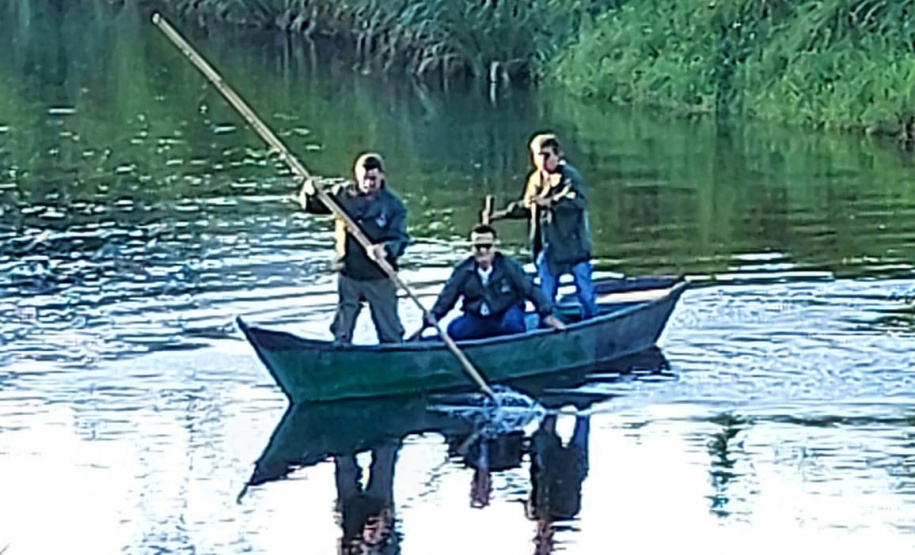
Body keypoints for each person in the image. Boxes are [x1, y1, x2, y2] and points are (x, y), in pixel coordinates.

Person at [298, 153, 408, 345]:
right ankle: (340, 354)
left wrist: (385, 249)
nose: (368, 183)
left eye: (373, 179)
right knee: (342, 330)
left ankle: (393, 356)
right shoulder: (343, 194)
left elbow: (401, 239)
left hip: (379, 275)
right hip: (349, 273)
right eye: (364, 178)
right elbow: (315, 206)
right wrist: (309, 192)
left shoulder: (394, 206)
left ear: (381, 176)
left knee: (389, 332)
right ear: (357, 175)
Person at [492, 133, 598, 320]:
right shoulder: (535, 180)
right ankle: (548, 334)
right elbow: (528, 206)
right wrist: (499, 216)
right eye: (537, 156)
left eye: (547, 155)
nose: (542, 160)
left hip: (574, 248)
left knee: (586, 297)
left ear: (558, 155)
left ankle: (593, 327)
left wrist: (549, 202)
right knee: (545, 300)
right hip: (547, 250)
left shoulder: (570, 178)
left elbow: (577, 202)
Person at [427, 224, 565, 341]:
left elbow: (531, 290)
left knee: (512, 325)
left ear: (494, 247)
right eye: (478, 246)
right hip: (478, 318)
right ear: (472, 248)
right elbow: (447, 298)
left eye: (487, 246)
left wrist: (547, 315)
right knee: (454, 331)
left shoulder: (509, 267)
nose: (482, 251)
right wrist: (432, 318)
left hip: (505, 314)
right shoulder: (463, 271)